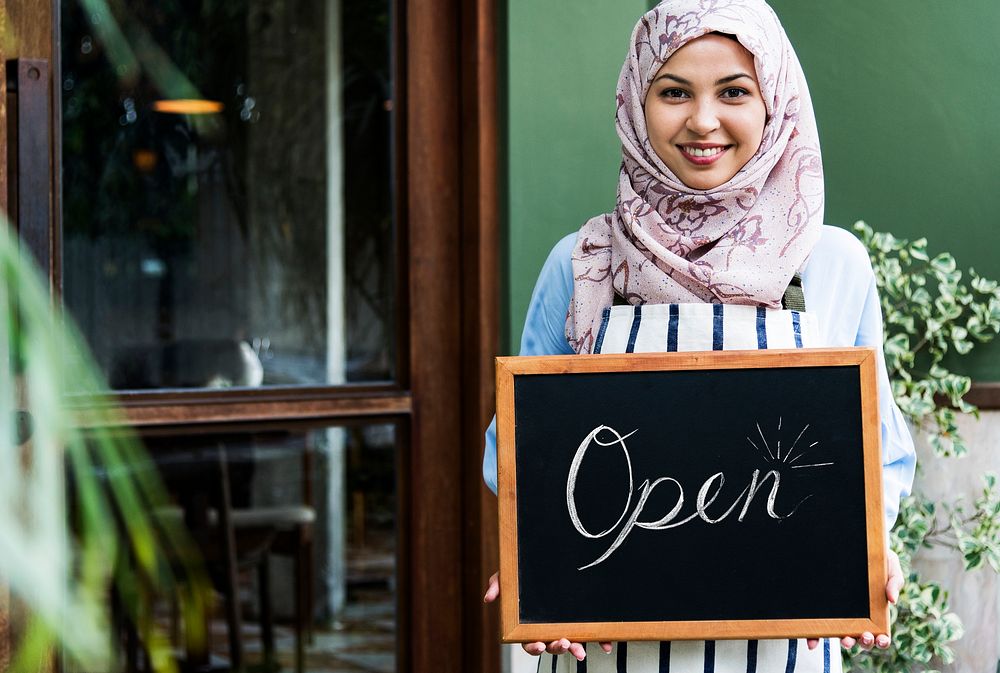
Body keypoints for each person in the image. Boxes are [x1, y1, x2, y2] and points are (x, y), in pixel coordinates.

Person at [482, 0, 917, 671]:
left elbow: (876, 455)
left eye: (735, 91)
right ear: (635, 102)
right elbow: (519, 454)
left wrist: (871, 557)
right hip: (603, 652)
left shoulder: (831, 263)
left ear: (775, 101)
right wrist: (531, 568)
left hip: (785, 653)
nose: (703, 120)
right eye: (674, 91)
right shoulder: (583, 261)